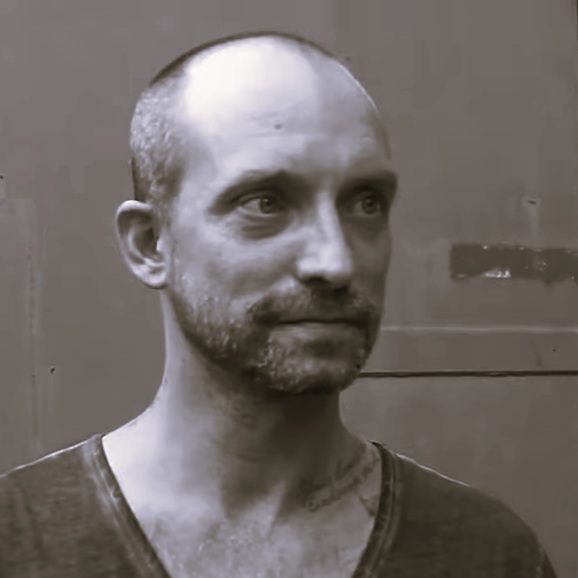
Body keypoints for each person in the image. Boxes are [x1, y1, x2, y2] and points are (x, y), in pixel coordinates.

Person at [0, 31, 556, 578]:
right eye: (265, 203)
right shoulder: (17, 542)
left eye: (365, 203)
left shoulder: (488, 554)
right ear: (150, 244)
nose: (336, 261)